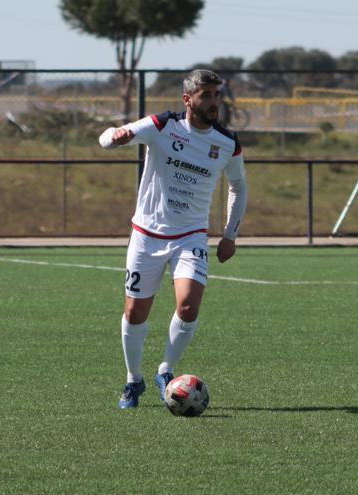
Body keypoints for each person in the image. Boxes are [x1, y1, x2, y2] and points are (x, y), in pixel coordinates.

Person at [98, 69, 248, 410]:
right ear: (188, 99)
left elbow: (238, 186)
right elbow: (108, 137)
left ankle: (166, 370)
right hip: (147, 235)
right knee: (136, 312)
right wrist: (115, 137)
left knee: (188, 305)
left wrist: (230, 234)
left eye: (216, 95)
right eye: (206, 95)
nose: (214, 103)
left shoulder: (227, 143)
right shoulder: (163, 126)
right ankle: (133, 380)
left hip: (191, 236)